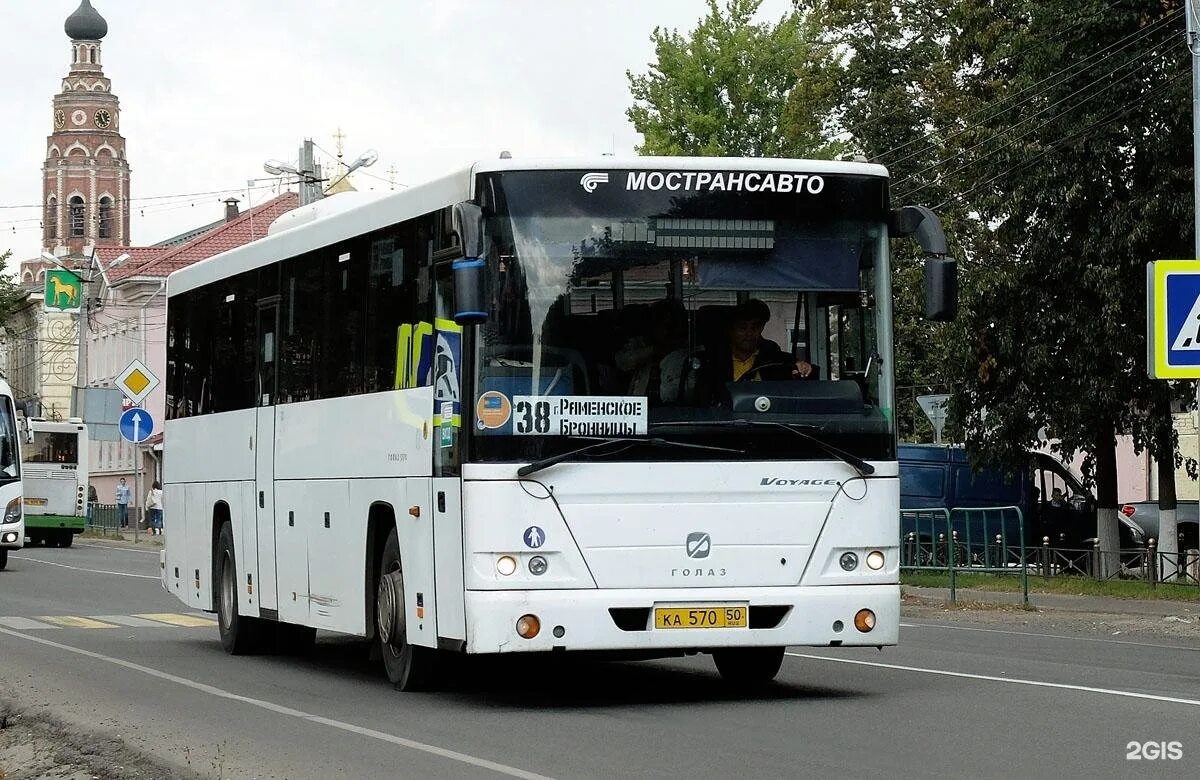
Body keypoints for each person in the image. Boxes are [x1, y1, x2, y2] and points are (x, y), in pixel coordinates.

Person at [614, 299, 697, 404]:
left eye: (671, 325)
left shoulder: (690, 355)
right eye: (661, 323)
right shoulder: (641, 345)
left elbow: (690, 392)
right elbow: (622, 361)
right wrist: (653, 350)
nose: (666, 330)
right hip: (638, 411)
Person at [723, 298, 817, 382]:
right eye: (743, 328)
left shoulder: (773, 355)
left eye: (754, 327)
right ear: (731, 330)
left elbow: (794, 366)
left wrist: (802, 366)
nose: (749, 333)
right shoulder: (716, 359)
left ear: (761, 328)